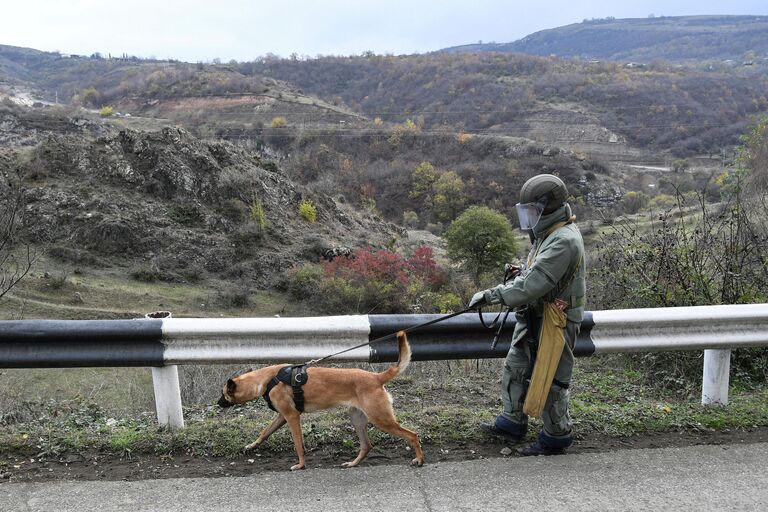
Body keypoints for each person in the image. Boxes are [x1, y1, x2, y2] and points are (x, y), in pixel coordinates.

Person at [469, 173, 585, 456]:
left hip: (556, 319)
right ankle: (512, 422)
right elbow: (534, 274)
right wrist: (519, 272)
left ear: (547, 207)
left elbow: (533, 285)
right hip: (534, 314)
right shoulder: (547, 234)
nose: (529, 216)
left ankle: (556, 436)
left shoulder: (564, 240)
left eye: (533, 210)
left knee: (552, 377)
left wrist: (492, 294)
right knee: (517, 366)